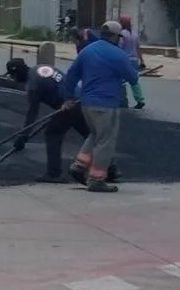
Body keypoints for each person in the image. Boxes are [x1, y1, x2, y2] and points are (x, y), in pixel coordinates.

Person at [23, 42, 120, 184]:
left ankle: (54, 173)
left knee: (53, 133)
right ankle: (111, 169)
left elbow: (32, 112)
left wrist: (23, 136)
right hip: (80, 99)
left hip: (69, 104)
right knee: (92, 135)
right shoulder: (39, 69)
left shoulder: (33, 85)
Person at [60, 21, 139, 193]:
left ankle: (79, 166)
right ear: (115, 36)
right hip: (106, 104)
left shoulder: (87, 51)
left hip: (87, 104)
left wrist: (68, 98)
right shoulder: (118, 55)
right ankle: (96, 179)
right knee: (105, 142)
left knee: (95, 135)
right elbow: (133, 78)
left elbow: (72, 74)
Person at [116, 14, 146, 110]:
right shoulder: (135, 34)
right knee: (134, 81)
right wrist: (142, 61)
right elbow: (138, 49)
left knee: (120, 81)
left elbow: (119, 48)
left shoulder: (122, 34)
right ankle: (140, 100)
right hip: (134, 60)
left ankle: (123, 101)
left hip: (125, 60)